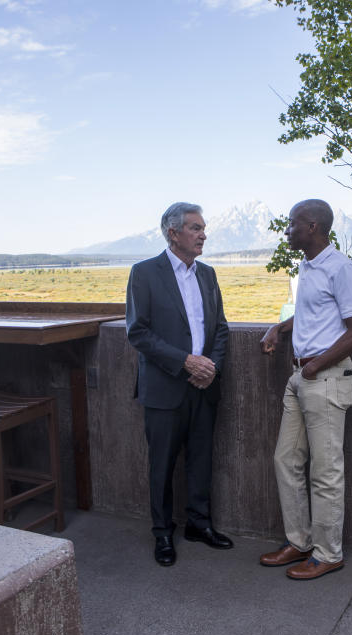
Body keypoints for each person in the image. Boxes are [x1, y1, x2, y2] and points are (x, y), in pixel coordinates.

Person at [259, 198, 352, 580]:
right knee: (285, 459)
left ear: (312, 228)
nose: (286, 230)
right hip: (301, 377)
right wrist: (278, 328)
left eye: (292, 224)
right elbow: (310, 313)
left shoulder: (341, 269)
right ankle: (300, 541)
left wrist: (318, 364)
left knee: (325, 471)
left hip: (325, 377)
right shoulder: (308, 266)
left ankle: (328, 553)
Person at [125, 202, 232, 567]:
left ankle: (199, 525)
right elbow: (137, 332)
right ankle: (162, 533)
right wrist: (185, 362)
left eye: (203, 228)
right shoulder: (144, 273)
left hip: (204, 385)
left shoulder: (208, 274)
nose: (203, 234)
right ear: (173, 233)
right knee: (162, 464)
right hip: (165, 386)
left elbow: (220, 328)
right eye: (195, 228)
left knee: (201, 459)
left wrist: (211, 367)